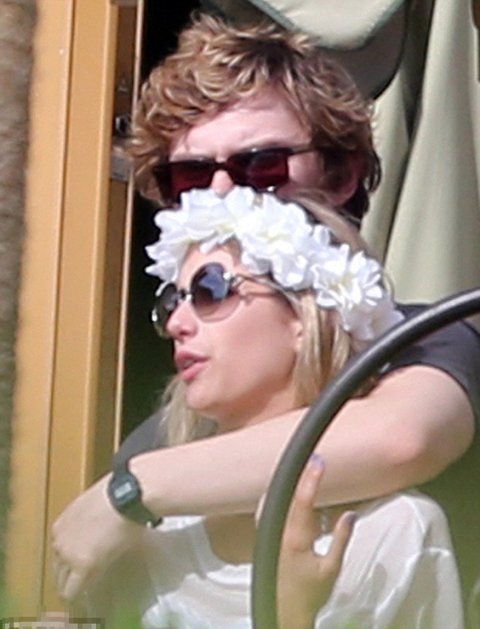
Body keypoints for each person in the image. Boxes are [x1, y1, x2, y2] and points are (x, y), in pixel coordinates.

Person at [51, 13, 480, 617]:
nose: (222, 196)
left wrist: (131, 491)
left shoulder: (426, 341)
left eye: (260, 167)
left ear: (340, 176)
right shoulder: (168, 433)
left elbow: (400, 438)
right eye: (191, 178)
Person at [68, 187, 463, 627]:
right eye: (170, 302)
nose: (177, 323)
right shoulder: (142, 537)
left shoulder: (396, 535)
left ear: (304, 316)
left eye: (209, 289)